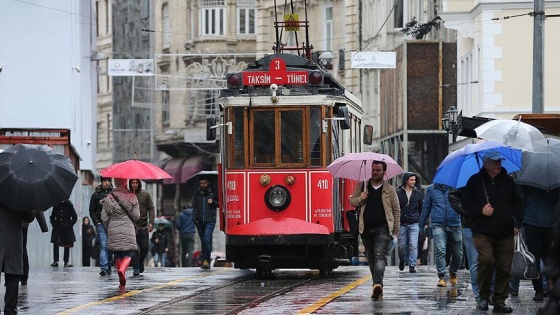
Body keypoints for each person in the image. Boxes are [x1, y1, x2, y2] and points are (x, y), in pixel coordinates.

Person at [462, 150, 523, 313]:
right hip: (482, 232)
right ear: (486, 163)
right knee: (486, 260)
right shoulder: (475, 181)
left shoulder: (508, 182)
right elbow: (466, 204)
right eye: (494, 162)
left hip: (505, 232)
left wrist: (513, 217)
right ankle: (483, 297)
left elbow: (518, 203)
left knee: (504, 267)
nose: (498, 165)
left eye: (499, 161)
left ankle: (499, 301)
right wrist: (481, 210)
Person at [349, 161, 400, 300]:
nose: (375, 172)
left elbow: (396, 211)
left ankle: (377, 284)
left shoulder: (390, 190)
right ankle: (378, 286)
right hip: (365, 228)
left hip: (383, 228)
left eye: (378, 170)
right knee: (371, 259)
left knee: (379, 256)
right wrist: (361, 197)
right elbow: (352, 201)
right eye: (373, 170)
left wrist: (395, 232)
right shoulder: (362, 185)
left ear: (384, 172)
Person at [509, 185, 559, 301]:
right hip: (549, 221)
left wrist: (517, 223)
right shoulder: (555, 180)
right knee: (548, 256)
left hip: (532, 221)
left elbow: (521, 201)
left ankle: (539, 291)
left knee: (534, 257)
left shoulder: (528, 181)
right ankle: (550, 289)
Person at [419, 183, 463, 287]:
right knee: (440, 250)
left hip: (455, 224)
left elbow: (463, 204)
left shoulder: (455, 187)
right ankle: (442, 275)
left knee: (458, 254)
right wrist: (421, 225)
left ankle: (453, 270)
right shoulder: (431, 189)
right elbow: (426, 207)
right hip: (438, 224)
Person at [101, 177, 140, 290]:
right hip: (128, 227)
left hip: (113, 227)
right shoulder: (132, 197)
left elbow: (104, 217)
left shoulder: (108, 198)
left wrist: (109, 226)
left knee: (117, 253)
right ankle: (122, 270)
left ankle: (121, 282)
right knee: (127, 253)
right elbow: (136, 216)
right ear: (125, 182)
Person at [0, 204, 35, 315]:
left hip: (10, 239)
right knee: (13, 275)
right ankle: (10, 310)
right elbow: (29, 217)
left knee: (13, 275)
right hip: (13, 239)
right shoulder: (19, 192)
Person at [449, 188, 480, 301]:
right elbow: (453, 196)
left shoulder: (497, 180)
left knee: (491, 260)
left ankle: (491, 292)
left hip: (492, 226)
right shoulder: (466, 180)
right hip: (470, 225)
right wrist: (468, 211)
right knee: (475, 261)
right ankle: (479, 296)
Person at [396, 172, 423, 273]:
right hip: (402, 223)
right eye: (411, 180)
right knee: (401, 246)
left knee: (413, 244)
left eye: (415, 180)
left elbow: (421, 208)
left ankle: (412, 265)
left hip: (414, 222)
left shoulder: (418, 193)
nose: (414, 182)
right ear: (406, 180)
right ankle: (402, 259)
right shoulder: (398, 193)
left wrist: (422, 221)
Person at [128, 179, 155, 276]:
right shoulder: (127, 195)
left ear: (139, 183)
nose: (134, 185)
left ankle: (140, 261)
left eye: (136, 182)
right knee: (134, 248)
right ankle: (135, 266)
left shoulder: (145, 194)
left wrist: (151, 222)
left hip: (143, 225)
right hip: (130, 225)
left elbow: (151, 208)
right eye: (132, 182)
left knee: (144, 247)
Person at [192, 175, 219, 269]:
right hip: (199, 221)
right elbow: (194, 206)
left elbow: (220, 204)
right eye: (201, 183)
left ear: (208, 183)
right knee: (204, 241)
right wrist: (194, 218)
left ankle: (207, 260)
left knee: (207, 238)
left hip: (210, 220)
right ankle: (205, 260)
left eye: (204, 183)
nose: (203, 185)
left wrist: (213, 202)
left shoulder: (214, 192)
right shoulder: (197, 193)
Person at [89, 177, 113, 276]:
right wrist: (97, 222)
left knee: (110, 246)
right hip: (101, 223)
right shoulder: (96, 195)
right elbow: (91, 210)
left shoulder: (114, 194)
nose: (106, 183)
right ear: (101, 182)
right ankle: (104, 267)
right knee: (103, 245)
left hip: (112, 223)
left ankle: (109, 265)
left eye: (108, 181)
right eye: (104, 181)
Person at [50, 199, 78, 267]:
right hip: (57, 228)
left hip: (66, 228)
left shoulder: (69, 205)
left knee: (67, 245)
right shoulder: (56, 205)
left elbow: (74, 217)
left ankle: (66, 261)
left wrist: (70, 225)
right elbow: (52, 216)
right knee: (56, 244)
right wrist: (54, 224)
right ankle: (55, 261)